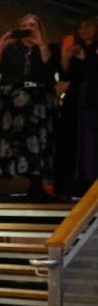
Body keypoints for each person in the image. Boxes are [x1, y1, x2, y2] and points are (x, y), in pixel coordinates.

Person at [0, 13, 58, 198]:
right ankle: (27, 179)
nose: (28, 28)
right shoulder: (12, 50)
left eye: (33, 25)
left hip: (39, 102)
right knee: (18, 141)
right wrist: (2, 43)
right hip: (16, 103)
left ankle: (39, 182)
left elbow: (49, 65)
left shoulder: (48, 48)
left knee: (40, 141)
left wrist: (40, 43)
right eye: (25, 25)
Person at [55, 16, 98, 199]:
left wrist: (86, 57)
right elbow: (65, 76)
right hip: (75, 101)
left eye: (88, 26)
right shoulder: (78, 48)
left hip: (93, 100)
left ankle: (90, 181)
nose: (84, 30)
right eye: (81, 27)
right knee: (71, 140)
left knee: (90, 143)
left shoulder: (92, 50)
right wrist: (66, 59)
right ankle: (71, 184)